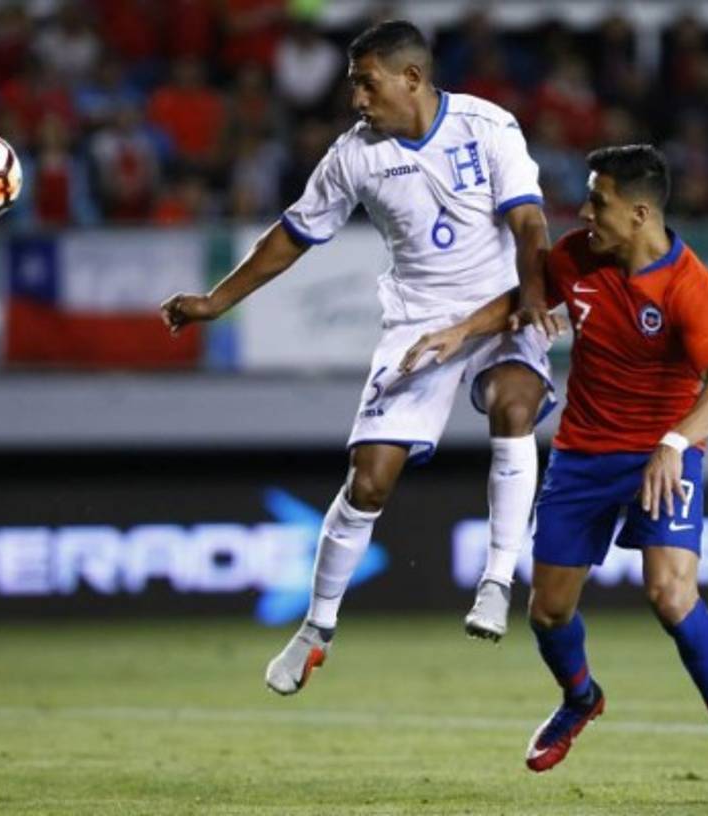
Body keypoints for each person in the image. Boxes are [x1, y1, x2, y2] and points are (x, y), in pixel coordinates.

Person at [158, 20, 557, 694]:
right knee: (369, 479)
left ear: (412, 78)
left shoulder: (489, 127)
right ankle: (316, 629)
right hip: (417, 321)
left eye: (366, 84)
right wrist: (217, 301)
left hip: (502, 303)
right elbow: (294, 234)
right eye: (353, 87)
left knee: (514, 404)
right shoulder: (354, 155)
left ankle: (495, 581)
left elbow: (530, 224)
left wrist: (534, 296)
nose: (357, 100)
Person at [399, 145, 708, 804]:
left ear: (640, 212)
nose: (585, 211)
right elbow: (524, 295)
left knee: (671, 596)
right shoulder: (578, 256)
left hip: (662, 456)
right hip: (582, 455)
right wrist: (458, 333)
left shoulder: (688, 284)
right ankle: (581, 698)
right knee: (547, 612)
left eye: (597, 201)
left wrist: (676, 441)